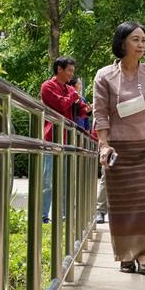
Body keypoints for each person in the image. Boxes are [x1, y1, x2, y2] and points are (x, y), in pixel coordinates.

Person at [93, 21, 145, 275]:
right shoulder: (104, 76)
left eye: (143, 40)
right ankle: (126, 254)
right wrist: (103, 145)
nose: (141, 44)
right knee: (123, 204)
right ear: (122, 42)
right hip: (118, 150)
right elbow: (100, 114)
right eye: (135, 39)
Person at [41, 56, 88, 224]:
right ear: (59, 69)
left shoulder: (70, 90)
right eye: (69, 70)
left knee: (66, 181)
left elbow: (82, 111)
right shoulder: (47, 86)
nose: (71, 74)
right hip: (52, 138)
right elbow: (59, 105)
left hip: (68, 140)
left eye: (72, 71)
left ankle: (64, 215)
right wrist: (73, 98)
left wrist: (88, 109)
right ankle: (43, 216)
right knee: (48, 180)